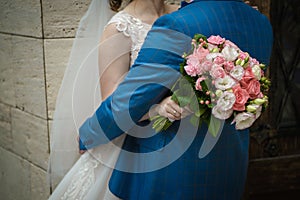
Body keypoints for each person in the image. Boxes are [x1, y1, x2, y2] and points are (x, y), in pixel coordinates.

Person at [79, 0, 273, 199]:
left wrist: (89, 134)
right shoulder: (260, 22)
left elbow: (127, 102)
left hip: (171, 173)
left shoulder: (179, 22)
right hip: (230, 168)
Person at [48, 0, 180, 199]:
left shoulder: (183, 15)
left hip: (179, 141)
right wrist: (157, 109)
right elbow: (114, 103)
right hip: (133, 145)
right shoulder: (120, 28)